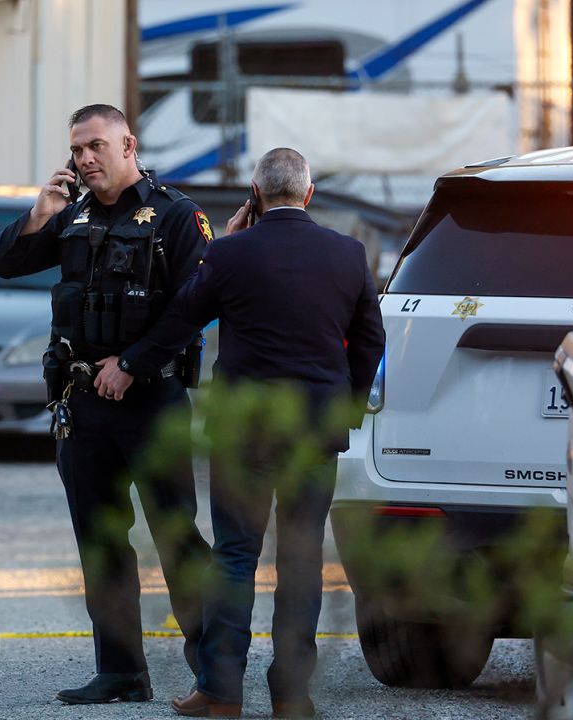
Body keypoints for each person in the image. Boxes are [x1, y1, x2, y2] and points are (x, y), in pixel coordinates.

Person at [0, 104, 212, 704]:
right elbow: (3, 264)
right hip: (82, 404)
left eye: (96, 146)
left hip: (152, 401)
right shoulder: (71, 215)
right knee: (100, 536)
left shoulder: (176, 215)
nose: (85, 159)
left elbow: (195, 305)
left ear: (128, 144)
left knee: (175, 533)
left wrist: (134, 363)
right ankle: (120, 671)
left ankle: (214, 668)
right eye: (77, 149)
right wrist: (39, 213)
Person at [167, 149, 384, 719]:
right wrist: (348, 407)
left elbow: (186, 310)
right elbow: (369, 341)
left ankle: (220, 692)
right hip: (316, 432)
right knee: (302, 558)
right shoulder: (348, 253)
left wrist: (222, 246)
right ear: (309, 194)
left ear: (255, 195)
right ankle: (291, 695)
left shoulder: (232, 251)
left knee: (234, 556)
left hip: (243, 432)